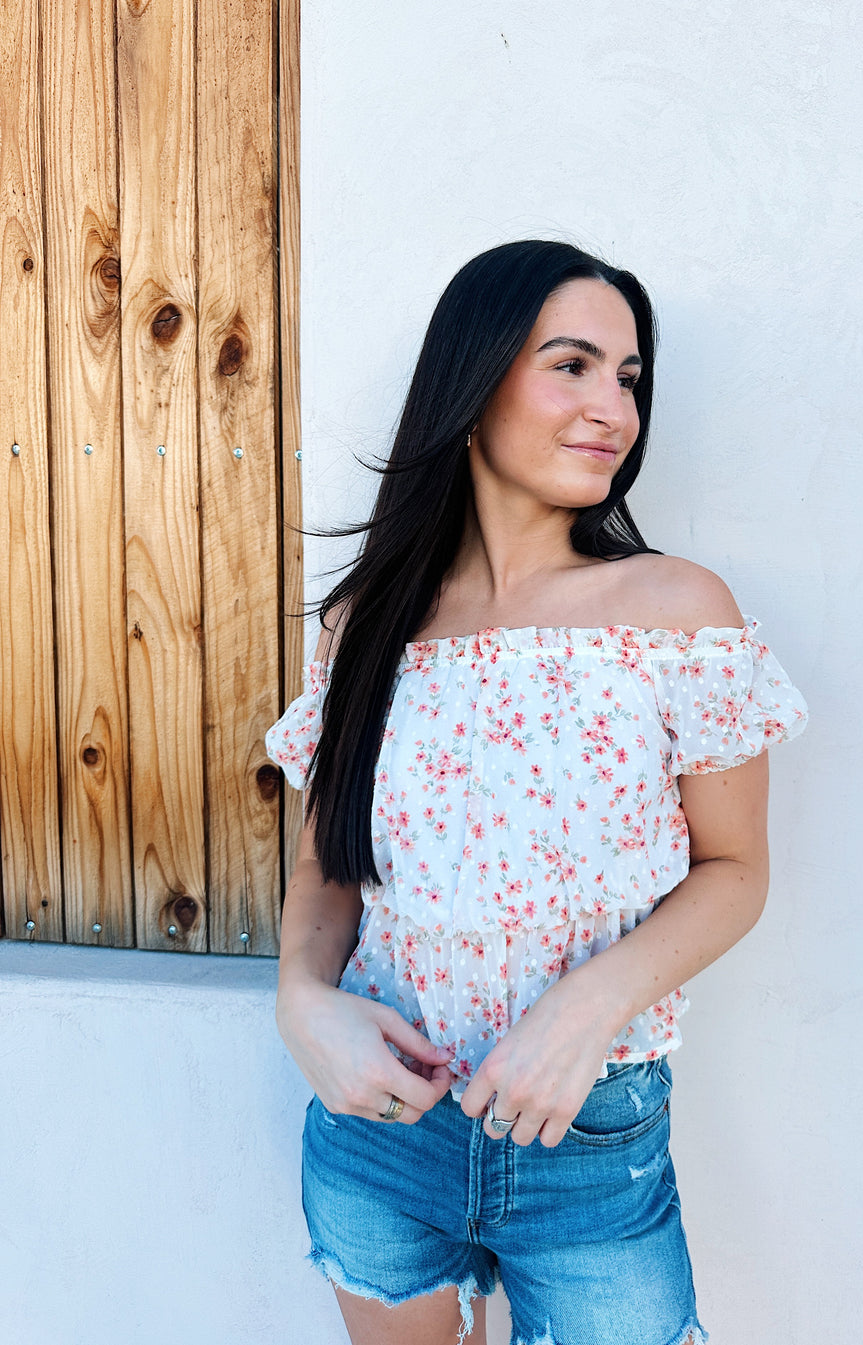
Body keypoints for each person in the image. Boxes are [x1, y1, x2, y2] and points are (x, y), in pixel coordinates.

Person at [266, 240, 807, 1345]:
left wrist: (589, 1003)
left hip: (589, 1140)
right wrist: (300, 1002)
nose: (614, 405)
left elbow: (736, 870)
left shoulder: (675, 610)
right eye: (573, 364)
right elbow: (331, 866)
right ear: (473, 382)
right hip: (380, 1123)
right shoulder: (368, 627)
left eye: (629, 376)